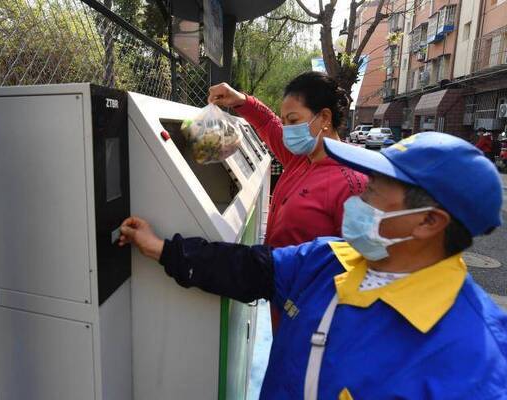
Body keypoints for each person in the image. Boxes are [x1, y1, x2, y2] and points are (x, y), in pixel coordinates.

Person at [119, 132, 507, 400]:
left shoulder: (474, 362)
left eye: (372, 192)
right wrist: (160, 248)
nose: (358, 198)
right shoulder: (330, 259)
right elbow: (247, 268)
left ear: (428, 222)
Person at [209, 72, 367, 331]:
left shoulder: (353, 182)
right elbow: (269, 125)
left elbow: (363, 265)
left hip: (317, 316)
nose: (288, 130)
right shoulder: (301, 158)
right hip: (283, 298)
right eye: (286, 121)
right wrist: (239, 100)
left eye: (293, 121)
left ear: (324, 118)